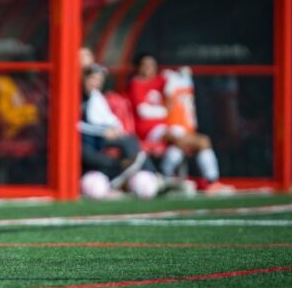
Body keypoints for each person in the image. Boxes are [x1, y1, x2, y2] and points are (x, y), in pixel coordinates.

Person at [128, 53, 233, 194]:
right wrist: (166, 110)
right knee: (197, 141)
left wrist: (178, 74)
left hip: (165, 127)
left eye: (152, 65)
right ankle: (203, 180)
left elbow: (175, 82)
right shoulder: (136, 83)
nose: (149, 68)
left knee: (193, 142)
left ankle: (199, 180)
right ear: (138, 67)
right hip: (148, 131)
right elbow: (144, 111)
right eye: (145, 65)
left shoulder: (158, 81)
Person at [79, 64, 153, 189]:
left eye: (99, 81)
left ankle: (151, 175)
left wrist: (117, 130)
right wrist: (103, 131)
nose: (95, 83)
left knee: (130, 141)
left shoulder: (96, 97)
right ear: (84, 78)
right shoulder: (75, 97)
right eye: (93, 79)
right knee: (92, 156)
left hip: (99, 139)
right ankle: (121, 171)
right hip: (84, 142)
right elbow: (75, 125)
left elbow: (110, 119)